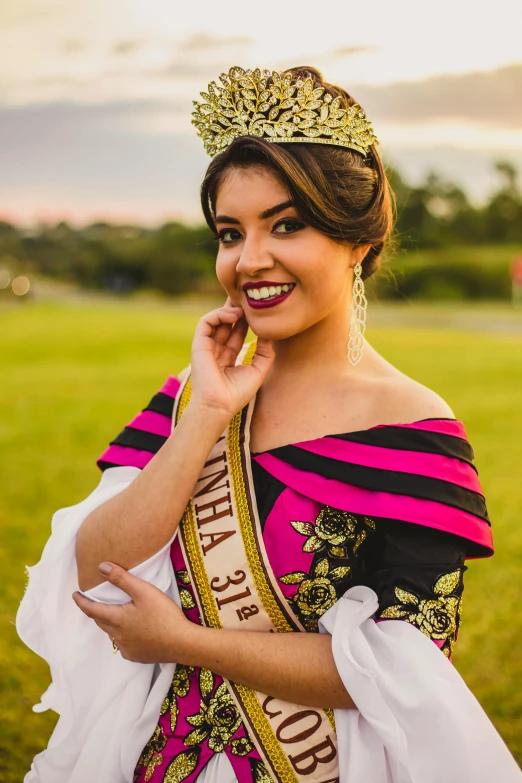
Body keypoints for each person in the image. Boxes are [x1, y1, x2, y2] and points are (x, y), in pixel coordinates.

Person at [16, 65, 522, 783]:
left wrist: (189, 642)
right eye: (230, 232)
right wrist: (206, 417)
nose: (250, 260)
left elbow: (404, 663)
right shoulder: (195, 394)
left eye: (287, 224)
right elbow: (99, 569)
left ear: (358, 242)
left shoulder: (416, 429)